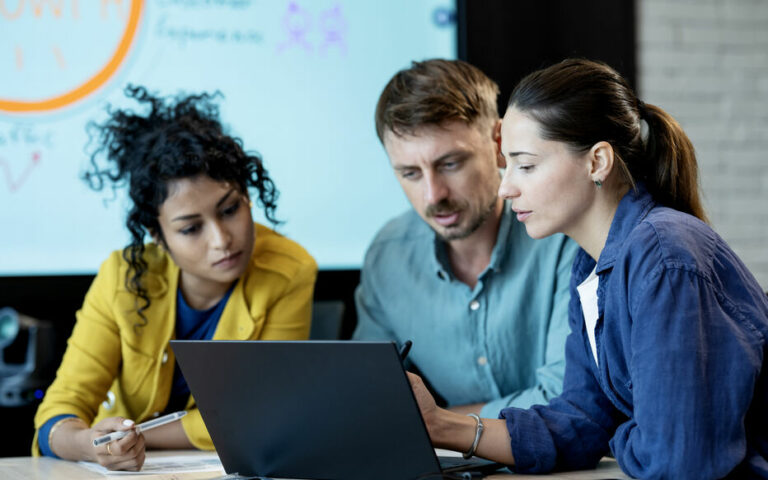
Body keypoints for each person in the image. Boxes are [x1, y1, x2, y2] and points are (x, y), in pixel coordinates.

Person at [407, 58, 768, 479]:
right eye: (507, 166)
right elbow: (578, 422)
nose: (506, 188)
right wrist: (437, 424)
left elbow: (677, 459)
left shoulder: (664, 254)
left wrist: (621, 432)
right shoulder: (592, 266)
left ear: (597, 162)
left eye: (525, 165)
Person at [32, 86, 318, 471]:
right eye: (190, 228)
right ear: (158, 237)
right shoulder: (122, 276)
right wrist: (90, 444)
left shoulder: (290, 270)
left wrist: (138, 437)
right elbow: (58, 413)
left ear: (248, 197)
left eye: (230, 209)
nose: (222, 240)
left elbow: (261, 417)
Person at [354, 59, 578, 417]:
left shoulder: (565, 236)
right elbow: (371, 399)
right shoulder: (387, 257)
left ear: (499, 140)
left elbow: (566, 398)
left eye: (450, 164)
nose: (432, 195)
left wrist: (440, 424)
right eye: (410, 173)